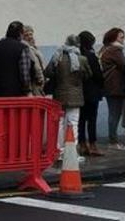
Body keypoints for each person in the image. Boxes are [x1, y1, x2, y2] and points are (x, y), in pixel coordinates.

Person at [46, 33, 86, 161]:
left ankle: (59, 151)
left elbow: (48, 72)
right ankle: (72, 152)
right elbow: (87, 74)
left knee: (60, 123)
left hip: (59, 94)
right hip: (75, 95)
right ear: (77, 44)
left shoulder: (57, 56)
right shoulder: (81, 59)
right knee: (73, 123)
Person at [99, 27, 125, 149]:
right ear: (114, 38)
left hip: (108, 85)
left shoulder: (105, 49)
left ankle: (113, 139)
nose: (123, 39)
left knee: (113, 113)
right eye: (121, 37)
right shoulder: (115, 50)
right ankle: (113, 141)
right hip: (115, 86)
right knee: (115, 114)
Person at [77, 31, 105, 156]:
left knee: (81, 119)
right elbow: (98, 75)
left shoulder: (76, 55)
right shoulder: (91, 56)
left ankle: (82, 144)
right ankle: (93, 145)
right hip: (92, 91)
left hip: (80, 91)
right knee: (92, 119)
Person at [0, 21, 30, 98]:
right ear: (20, 33)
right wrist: (27, 90)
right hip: (17, 91)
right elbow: (24, 74)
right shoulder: (23, 48)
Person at [22, 25, 46, 96]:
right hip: (34, 82)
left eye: (31, 34)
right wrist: (40, 79)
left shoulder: (34, 48)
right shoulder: (27, 48)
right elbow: (36, 65)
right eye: (26, 35)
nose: (30, 37)